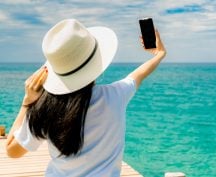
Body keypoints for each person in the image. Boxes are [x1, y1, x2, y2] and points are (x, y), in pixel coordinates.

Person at [5, 19, 166, 177]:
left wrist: (27, 102)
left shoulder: (45, 109)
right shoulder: (116, 95)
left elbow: (12, 150)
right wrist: (159, 54)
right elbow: (138, 75)